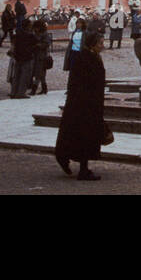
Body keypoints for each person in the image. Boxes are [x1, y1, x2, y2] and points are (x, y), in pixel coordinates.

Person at [55, 31, 107, 180]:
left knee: (78, 134)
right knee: (84, 135)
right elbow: (80, 82)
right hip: (84, 103)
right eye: (100, 43)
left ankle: (65, 157)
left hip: (87, 102)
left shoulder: (91, 57)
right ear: (92, 45)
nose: (102, 46)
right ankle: (82, 169)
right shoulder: (86, 58)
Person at [9, 18, 37, 99]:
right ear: (28, 26)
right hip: (27, 57)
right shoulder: (30, 35)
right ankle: (21, 93)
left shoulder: (18, 34)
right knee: (24, 76)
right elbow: (35, 43)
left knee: (16, 75)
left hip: (18, 57)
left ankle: (13, 92)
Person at [30, 18, 52, 95]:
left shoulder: (44, 34)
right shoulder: (34, 33)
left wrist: (38, 45)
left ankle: (34, 89)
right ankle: (44, 88)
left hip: (42, 56)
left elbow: (46, 44)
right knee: (41, 74)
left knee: (39, 73)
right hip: (35, 55)